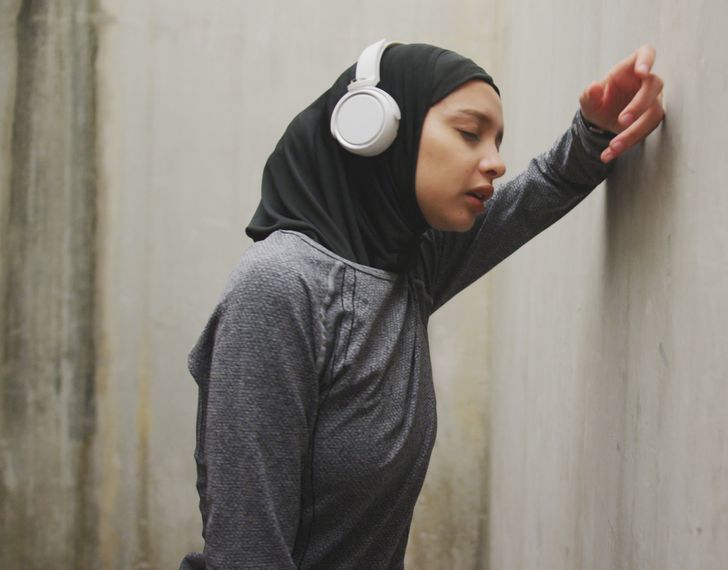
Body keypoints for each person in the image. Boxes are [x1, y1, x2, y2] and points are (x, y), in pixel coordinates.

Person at [180, 40, 664, 569]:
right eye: (469, 133)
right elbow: (247, 555)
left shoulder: (407, 267)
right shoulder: (278, 287)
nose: (496, 162)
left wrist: (600, 127)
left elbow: (545, 185)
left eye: (497, 141)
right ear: (376, 130)